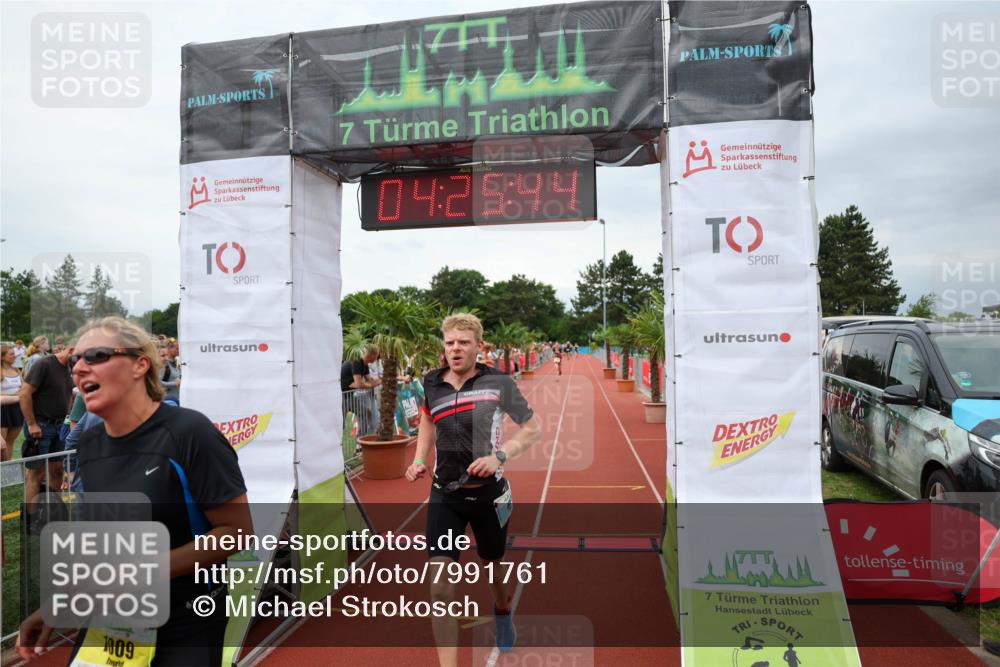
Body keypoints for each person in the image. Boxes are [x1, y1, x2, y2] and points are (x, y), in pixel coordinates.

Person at [16, 316, 252, 666]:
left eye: (96, 355)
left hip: (185, 620)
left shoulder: (190, 433)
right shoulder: (90, 443)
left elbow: (237, 532)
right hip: (112, 619)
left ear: (140, 365)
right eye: (76, 360)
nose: (78, 367)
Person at [405, 313, 541, 666]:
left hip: (487, 495)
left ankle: (502, 611)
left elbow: (532, 429)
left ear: (478, 346)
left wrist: (499, 457)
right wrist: (419, 459)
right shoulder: (431, 382)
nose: (455, 349)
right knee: (439, 587)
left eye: (463, 343)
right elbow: (427, 419)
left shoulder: (499, 383)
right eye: (449, 342)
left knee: (492, 568)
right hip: (445, 495)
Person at [19, 340, 74, 508]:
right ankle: (29, 517)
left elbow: (68, 395)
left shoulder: (72, 367)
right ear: (72, 349)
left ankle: (54, 513)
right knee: (36, 473)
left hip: (60, 426)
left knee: (58, 470)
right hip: (41, 425)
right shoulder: (45, 364)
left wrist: (67, 419)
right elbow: (24, 394)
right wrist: (31, 423)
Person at [340, 345, 381, 435]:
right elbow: (360, 384)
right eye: (377, 355)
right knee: (341, 422)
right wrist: (368, 385)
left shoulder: (364, 364)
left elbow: (369, 380)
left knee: (366, 413)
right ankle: (338, 441)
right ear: (372, 355)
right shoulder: (357, 361)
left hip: (349, 396)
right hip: (342, 396)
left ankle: (362, 438)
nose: (377, 358)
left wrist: (378, 381)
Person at [1, 343, 25, 461]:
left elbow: (24, 387)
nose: (14, 356)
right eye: (11, 354)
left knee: (10, 441)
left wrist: (21, 393)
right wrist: (15, 395)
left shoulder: (16, 370)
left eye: (14, 354)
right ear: (2, 356)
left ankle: (8, 467)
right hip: (2, 409)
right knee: (2, 444)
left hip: (17, 408)